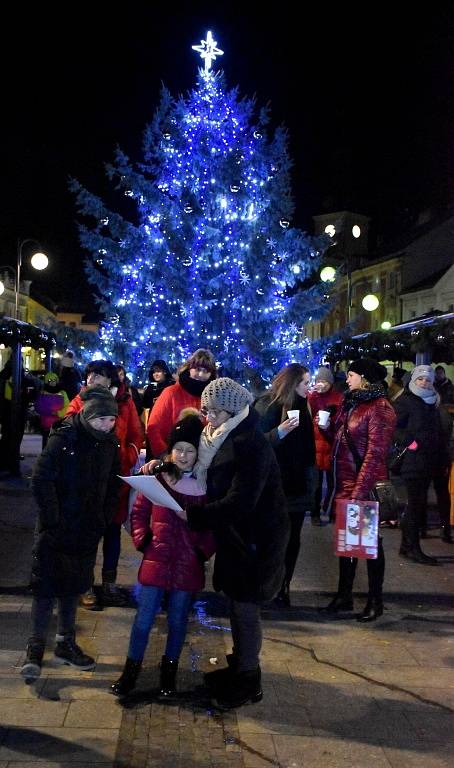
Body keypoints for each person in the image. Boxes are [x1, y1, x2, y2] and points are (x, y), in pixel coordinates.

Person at [173, 377, 289, 709]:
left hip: (256, 538)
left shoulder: (248, 442)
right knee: (237, 604)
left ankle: (249, 680)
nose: (208, 418)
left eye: (215, 412)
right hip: (236, 536)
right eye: (206, 410)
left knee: (246, 608)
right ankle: (238, 668)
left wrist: (196, 517)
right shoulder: (217, 436)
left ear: (234, 411)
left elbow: (243, 500)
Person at [110, 413, 215, 698]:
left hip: (187, 563)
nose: (183, 455)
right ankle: (130, 672)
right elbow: (140, 511)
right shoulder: (159, 479)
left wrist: (201, 551)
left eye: (190, 450)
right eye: (178, 449)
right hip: (156, 558)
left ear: (198, 453)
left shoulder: (206, 486)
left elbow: (212, 525)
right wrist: (143, 541)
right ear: (170, 450)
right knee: (143, 619)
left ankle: (168, 675)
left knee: (178, 621)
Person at [21, 386, 120, 681]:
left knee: (73, 585)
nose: (106, 425)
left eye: (111, 420)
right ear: (88, 416)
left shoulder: (109, 444)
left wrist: (102, 517)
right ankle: (35, 646)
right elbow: (41, 478)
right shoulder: (65, 438)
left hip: (87, 528)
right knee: (45, 586)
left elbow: (114, 484)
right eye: (101, 419)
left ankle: (65, 642)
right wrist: (52, 518)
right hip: (57, 527)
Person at [320, 358, 396, 622]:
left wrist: (358, 493)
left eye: (351, 374)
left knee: (370, 545)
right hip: (345, 483)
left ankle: (376, 600)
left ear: (364, 377)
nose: (347, 379)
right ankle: (344, 595)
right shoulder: (351, 403)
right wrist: (327, 428)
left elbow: (375, 455)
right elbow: (342, 441)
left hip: (362, 486)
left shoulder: (379, 407)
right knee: (348, 543)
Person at [66, 359, 144, 607]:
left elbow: (135, 433)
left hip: (115, 479)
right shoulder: (80, 399)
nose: (91, 379)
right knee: (87, 534)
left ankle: (109, 583)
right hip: (88, 479)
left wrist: (128, 456)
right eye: (89, 374)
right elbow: (68, 425)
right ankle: (84, 584)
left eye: (98, 375)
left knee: (112, 532)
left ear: (110, 379)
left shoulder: (125, 402)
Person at [254, 363, 316, 607]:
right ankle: (265, 585)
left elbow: (307, 450)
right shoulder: (269, 405)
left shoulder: (305, 407)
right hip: (273, 486)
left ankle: (283, 587)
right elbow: (255, 443)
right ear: (292, 383)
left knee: (292, 539)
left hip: (297, 485)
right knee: (271, 538)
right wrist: (280, 432)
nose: (309, 387)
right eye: (305, 383)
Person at [394, 365, 451, 562]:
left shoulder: (433, 402)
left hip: (430, 461)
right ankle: (414, 548)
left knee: (417, 505)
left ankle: (406, 546)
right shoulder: (406, 401)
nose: (424, 383)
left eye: (428, 380)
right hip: (413, 461)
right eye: (420, 379)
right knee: (416, 506)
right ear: (414, 380)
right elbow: (393, 427)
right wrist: (410, 442)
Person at [146, 349, 216, 458]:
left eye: (206, 371)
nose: (201, 374)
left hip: (202, 463)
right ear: (189, 368)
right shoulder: (171, 392)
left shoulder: (214, 398)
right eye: (197, 369)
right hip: (172, 460)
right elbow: (153, 427)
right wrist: (165, 456)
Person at [308, 367, 343, 522]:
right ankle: (315, 513)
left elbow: (341, 421)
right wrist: (313, 393)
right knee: (315, 484)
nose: (321, 384)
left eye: (324, 381)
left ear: (330, 383)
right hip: (315, 447)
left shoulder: (338, 398)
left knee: (332, 483)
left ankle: (330, 510)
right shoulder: (312, 397)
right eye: (318, 381)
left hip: (330, 446)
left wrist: (330, 423)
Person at [34, 372, 69, 449]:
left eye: (55, 380)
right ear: (47, 382)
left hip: (59, 425)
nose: (53, 382)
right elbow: (38, 407)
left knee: (58, 446)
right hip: (46, 426)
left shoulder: (62, 393)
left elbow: (68, 407)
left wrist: (59, 413)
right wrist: (51, 412)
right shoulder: (42, 393)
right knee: (47, 446)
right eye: (50, 380)